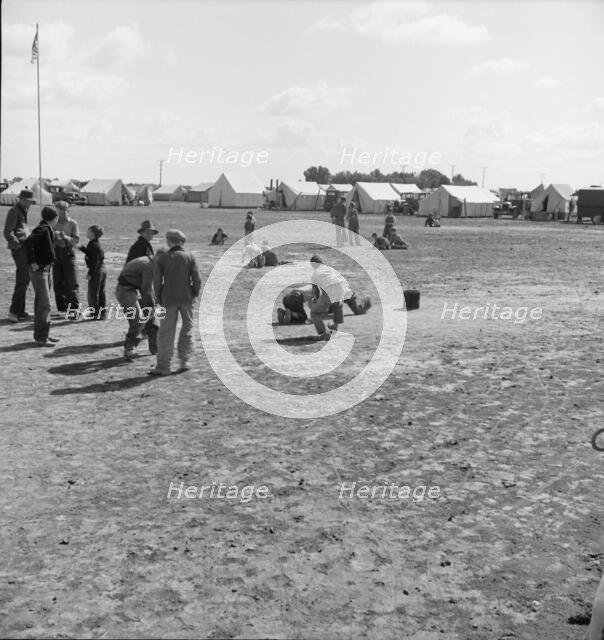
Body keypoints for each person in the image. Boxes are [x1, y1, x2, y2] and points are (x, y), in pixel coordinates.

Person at [149, 230, 201, 376]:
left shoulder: (163, 258)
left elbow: (157, 281)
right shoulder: (190, 257)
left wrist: (159, 297)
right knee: (187, 328)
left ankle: (164, 366)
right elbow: (196, 279)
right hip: (187, 298)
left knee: (166, 332)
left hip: (168, 299)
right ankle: (184, 360)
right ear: (181, 242)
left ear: (168, 241)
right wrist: (194, 293)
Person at [24, 206, 59, 346]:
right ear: (55, 218)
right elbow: (28, 242)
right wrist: (32, 262)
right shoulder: (43, 229)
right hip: (40, 271)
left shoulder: (45, 228)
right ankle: (41, 338)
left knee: (43, 304)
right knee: (44, 304)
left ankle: (44, 334)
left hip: (45, 270)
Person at [115, 254, 160, 359]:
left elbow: (148, 287)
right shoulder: (148, 265)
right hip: (125, 290)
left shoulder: (150, 262)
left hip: (134, 289)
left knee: (153, 319)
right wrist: (152, 305)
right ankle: (129, 348)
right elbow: (146, 289)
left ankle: (155, 347)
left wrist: (152, 303)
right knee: (138, 320)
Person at [3, 188, 34, 322]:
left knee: (25, 281)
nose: (30, 204)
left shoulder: (23, 210)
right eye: (29, 201)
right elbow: (7, 232)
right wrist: (18, 246)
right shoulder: (14, 211)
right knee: (22, 281)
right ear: (21, 200)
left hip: (24, 249)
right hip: (20, 250)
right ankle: (14, 312)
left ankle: (20, 311)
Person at [309, 254, 353, 338]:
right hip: (341, 288)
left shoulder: (314, 274)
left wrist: (316, 300)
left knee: (314, 313)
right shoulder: (330, 269)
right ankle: (335, 327)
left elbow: (316, 292)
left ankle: (325, 334)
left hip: (330, 290)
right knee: (337, 306)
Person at [52, 200, 80, 315]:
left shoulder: (72, 223)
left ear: (68, 211)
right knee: (57, 282)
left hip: (68, 253)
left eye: (65, 211)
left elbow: (76, 240)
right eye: (60, 211)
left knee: (71, 281)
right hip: (55, 254)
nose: (62, 214)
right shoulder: (52, 223)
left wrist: (66, 238)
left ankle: (74, 308)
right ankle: (62, 308)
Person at [78, 225, 106, 320]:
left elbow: (94, 261)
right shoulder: (94, 243)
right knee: (100, 292)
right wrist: (79, 246)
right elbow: (89, 253)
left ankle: (95, 314)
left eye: (88, 231)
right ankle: (102, 314)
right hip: (101, 269)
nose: (87, 232)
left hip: (97, 270)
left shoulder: (93, 245)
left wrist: (90, 273)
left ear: (93, 233)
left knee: (92, 293)